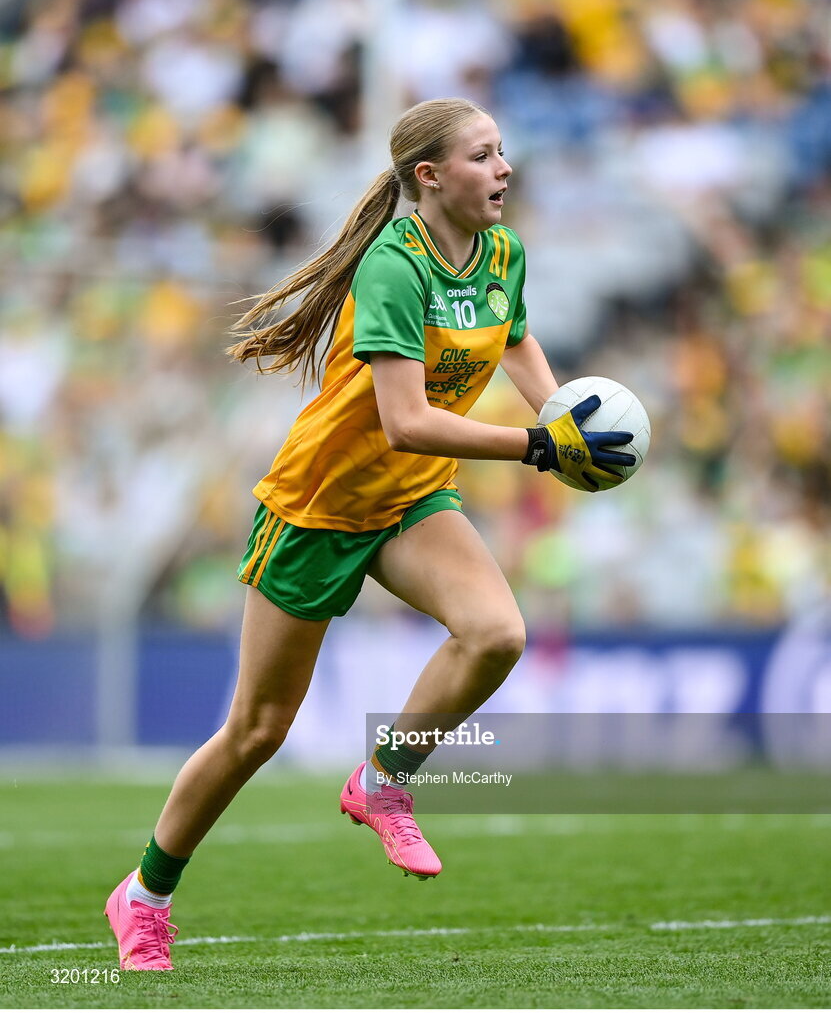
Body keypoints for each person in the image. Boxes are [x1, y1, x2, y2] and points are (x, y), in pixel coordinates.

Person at [103, 97, 633, 971]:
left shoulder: (503, 252)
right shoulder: (393, 265)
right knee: (257, 731)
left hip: (411, 503)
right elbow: (406, 421)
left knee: (496, 633)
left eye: (503, 151)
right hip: (319, 504)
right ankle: (146, 894)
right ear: (429, 177)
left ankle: (383, 782)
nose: (504, 168)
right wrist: (540, 447)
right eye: (482, 155)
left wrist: (572, 421)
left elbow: (519, 348)